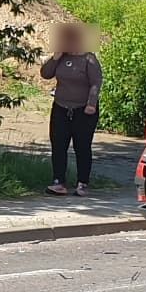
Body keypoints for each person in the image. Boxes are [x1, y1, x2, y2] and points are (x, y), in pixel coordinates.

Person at [40, 23, 102, 195]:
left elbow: (96, 83)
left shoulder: (89, 59)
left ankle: (83, 183)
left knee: (82, 146)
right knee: (58, 144)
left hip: (83, 110)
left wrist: (91, 103)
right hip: (61, 107)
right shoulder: (61, 58)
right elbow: (45, 74)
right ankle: (58, 181)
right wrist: (55, 57)